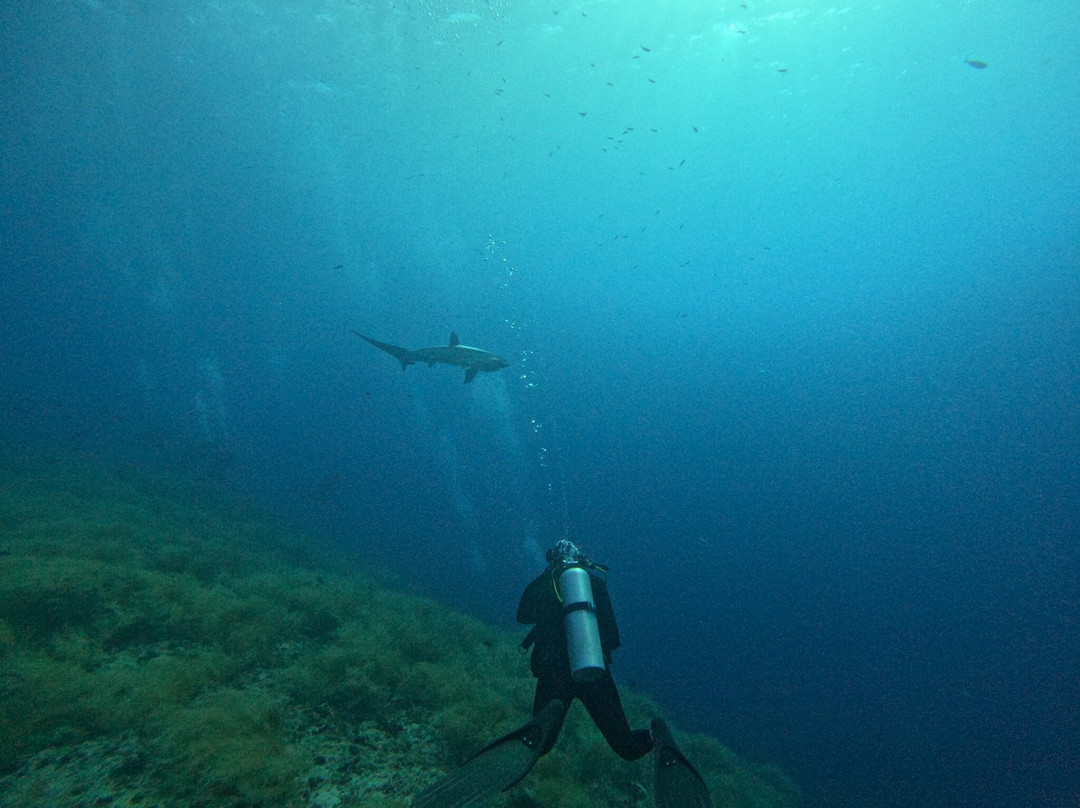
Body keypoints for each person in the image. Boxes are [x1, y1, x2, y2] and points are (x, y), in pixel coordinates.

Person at [413, 540, 712, 808]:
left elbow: (522, 615)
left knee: (539, 744)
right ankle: (657, 733)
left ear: (553, 560)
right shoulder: (594, 583)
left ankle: (547, 718)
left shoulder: (547, 583)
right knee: (626, 746)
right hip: (594, 672)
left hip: (555, 674)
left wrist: (548, 578)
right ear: (581, 558)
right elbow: (613, 638)